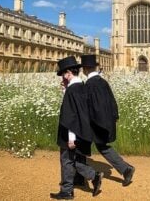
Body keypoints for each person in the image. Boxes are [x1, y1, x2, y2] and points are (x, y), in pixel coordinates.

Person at [50, 56, 103, 200]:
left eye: (62, 74)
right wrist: (65, 90)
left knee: (66, 160)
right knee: (75, 159)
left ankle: (67, 190)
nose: (62, 77)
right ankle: (90, 177)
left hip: (70, 131)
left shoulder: (72, 90)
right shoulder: (81, 86)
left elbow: (71, 115)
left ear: (68, 73)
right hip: (82, 130)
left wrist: (71, 137)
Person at [80, 54, 135, 187]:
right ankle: (125, 169)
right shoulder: (103, 82)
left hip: (97, 122)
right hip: (107, 120)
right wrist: (114, 117)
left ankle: (82, 176)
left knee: (85, 146)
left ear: (86, 69)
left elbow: (93, 107)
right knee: (101, 146)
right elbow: (112, 100)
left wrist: (87, 122)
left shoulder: (89, 85)